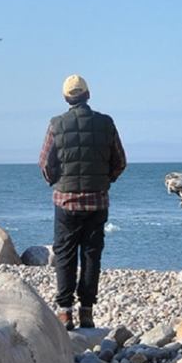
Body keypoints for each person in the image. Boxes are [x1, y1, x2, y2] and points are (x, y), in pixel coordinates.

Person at [38, 74, 126, 330]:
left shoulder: (56, 124)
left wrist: (57, 183)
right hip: (97, 202)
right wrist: (105, 180)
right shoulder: (106, 123)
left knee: (64, 255)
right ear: (87, 95)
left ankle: (65, 312)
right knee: (91, 254)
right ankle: (86, 311)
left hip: (65, 202)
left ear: (66, 98)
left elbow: (45, 163)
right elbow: (120, 161)